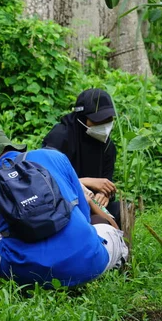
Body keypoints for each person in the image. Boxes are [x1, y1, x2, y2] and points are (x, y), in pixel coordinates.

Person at [0, 130, 128, 289]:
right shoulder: (54, 157)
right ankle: (124, 280)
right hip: (90, 262)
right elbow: (85, 216)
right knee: (109, 231)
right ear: (11, 147)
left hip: (30, 276)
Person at [42, 88, 121, 225]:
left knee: (118, 210)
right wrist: (87, 182)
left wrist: (104, 194)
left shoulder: (108, 146)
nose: (104, 124)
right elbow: (45, 178)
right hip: (63, 203)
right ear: (81, 118)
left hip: (93, 205)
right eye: (98, 120)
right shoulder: (60, 137)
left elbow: (107, 182)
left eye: (108, 119)